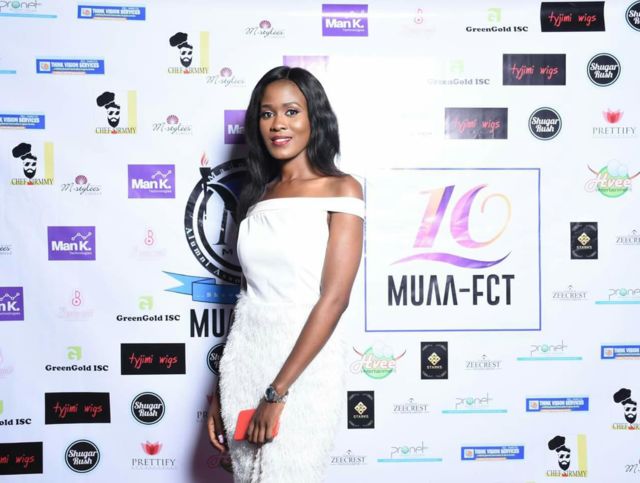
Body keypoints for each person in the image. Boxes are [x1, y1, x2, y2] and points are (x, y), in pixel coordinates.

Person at [207, 65, 364, 482]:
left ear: (315, 118)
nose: (278, 123)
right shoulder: (256, 195)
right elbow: (248, 297)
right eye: (267, 113)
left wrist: (277, 393)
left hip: (304, 363)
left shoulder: (342, 188)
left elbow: (335, 299)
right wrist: (218, 389)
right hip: (246, 358)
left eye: (291, 111)